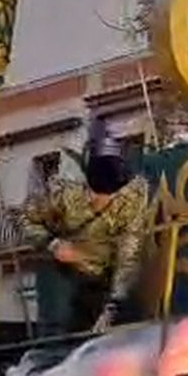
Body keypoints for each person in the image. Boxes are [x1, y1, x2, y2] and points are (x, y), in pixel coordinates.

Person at [20, 140, 149, 338]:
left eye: (107, 196)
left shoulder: (131, 202)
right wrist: (53, 245)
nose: (99, 201)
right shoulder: (63, 193)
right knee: (58, 326)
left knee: (97, 333)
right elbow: (24, 218)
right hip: (61, 270)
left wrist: (115, 302)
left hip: (100, 274)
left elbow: (129, 251)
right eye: (94, 194)